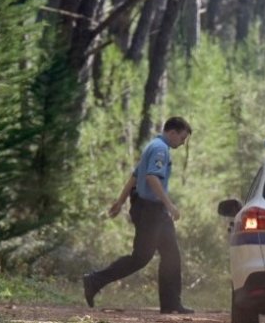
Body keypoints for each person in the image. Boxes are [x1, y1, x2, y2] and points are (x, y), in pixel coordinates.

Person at [83, 116, 194, 314]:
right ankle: (94, 280)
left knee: (170, 255)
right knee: (142, 258)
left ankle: (171, 304)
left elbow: (135, 176)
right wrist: (170, 205)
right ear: (172, 132)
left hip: (151, 209)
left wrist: (120, 201)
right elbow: (151, 176)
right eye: (182, 138)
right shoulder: (160, 149)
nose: (183, 142)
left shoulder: (153, 145)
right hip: (151, 210)